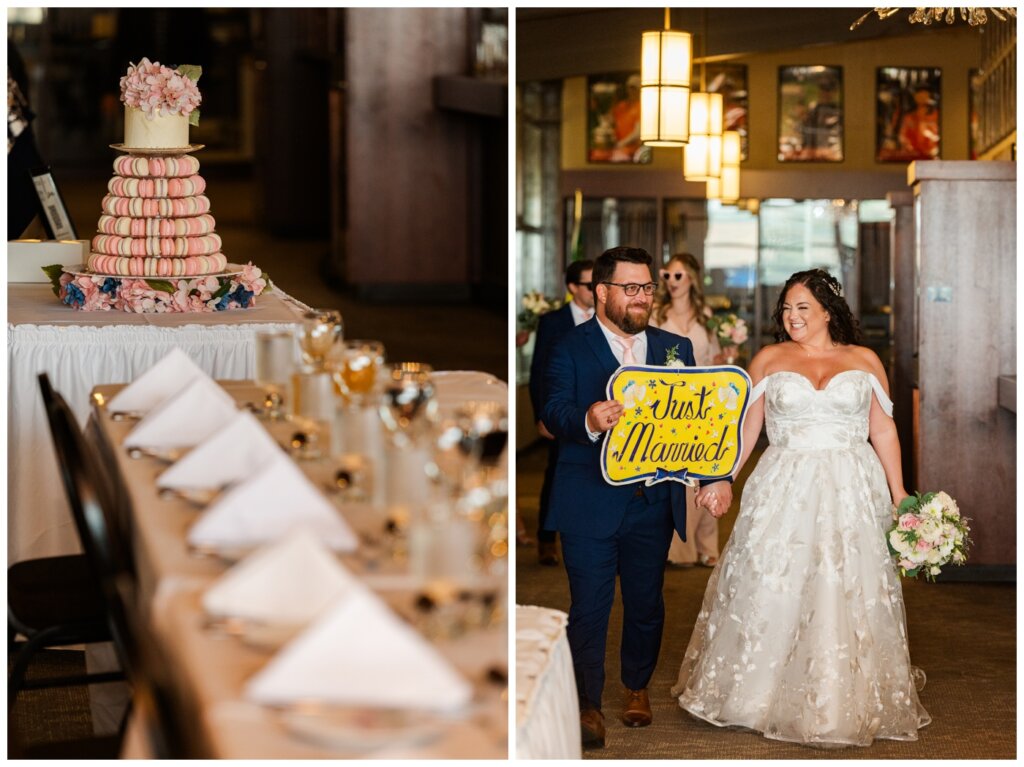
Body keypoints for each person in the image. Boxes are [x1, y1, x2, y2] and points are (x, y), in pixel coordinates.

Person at [671, 268, 931, 747]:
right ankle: (753, 695)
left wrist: (900, 495)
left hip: (851, 483)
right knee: (776, 580)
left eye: (802, 308)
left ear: (828, 312)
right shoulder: (769, 359)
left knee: (845, 584)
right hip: (783, 484)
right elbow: (744, 428)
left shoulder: (864, 359)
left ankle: (839, 700)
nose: (791, 317)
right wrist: (722, 476)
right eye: (786, 309)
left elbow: (884, 431)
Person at [542, 246, 733, 749]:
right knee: (589, 606)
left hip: (653, 501)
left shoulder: (676, 347)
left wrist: (714, 476)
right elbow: (554, 410)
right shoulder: (568, 345)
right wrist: (588, 419)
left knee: (647, 604)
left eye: (646, 287)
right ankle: (586, 703)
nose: (642, 297)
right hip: (588, 500)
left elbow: (701, 421)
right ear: (602, 293)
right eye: (631, 288)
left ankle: (636, 687)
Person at [650, 253, 725, 568]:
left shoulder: (706, 315)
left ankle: (707, 544)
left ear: (692, 278)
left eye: (678, 276)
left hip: (704, 403)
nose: (671, 281)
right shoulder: (655, 313)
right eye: (666, 275)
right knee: (676, 477)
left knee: (706, 473)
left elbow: (716, 357)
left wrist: (725, 359)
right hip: (667, 406)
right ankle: (677, 549)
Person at [528, 258, 595, 566]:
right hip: (562, 410)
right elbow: (540, 370)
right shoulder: (553, 321)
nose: (595, 290)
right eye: (589, 284)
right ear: (572, 287)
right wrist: (542, 414)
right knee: (555, 471)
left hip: (596, 410)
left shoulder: (606, 319)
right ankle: (546, 539)